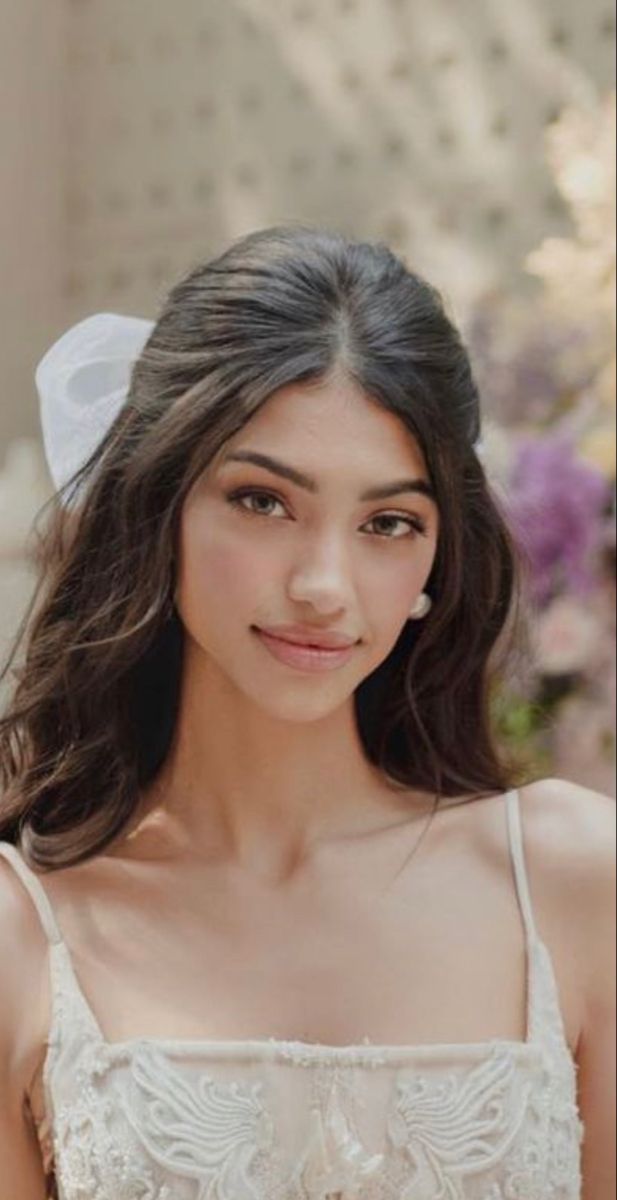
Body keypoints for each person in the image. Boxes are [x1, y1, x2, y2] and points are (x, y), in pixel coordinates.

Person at [0, 225, 613, 1198]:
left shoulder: (575, 881)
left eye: (386, 523)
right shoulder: (24, 932)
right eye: (262, 502)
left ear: (435, 556)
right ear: (157, 505)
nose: (325, 585)